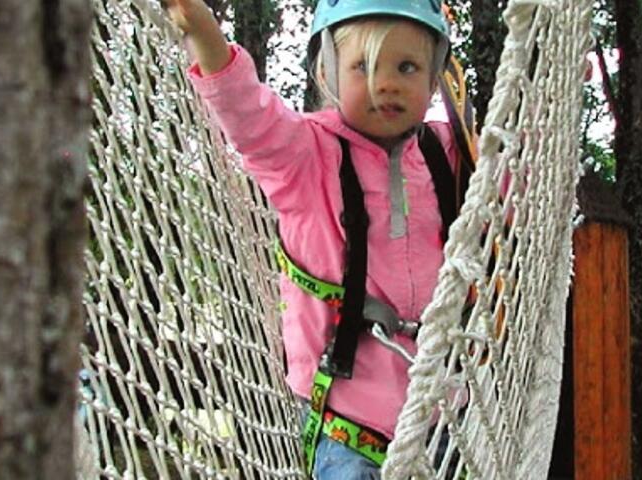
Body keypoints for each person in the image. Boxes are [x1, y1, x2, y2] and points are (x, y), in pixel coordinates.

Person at [163, 0, 465, 478]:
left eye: (406, 66)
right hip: (350, 421)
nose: (384, 82)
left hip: (444, 417)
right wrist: (205, 34)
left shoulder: (449, 154)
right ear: (327, 71)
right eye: (361, 66)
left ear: (433, 80)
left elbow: (516, 183)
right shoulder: (305, 156)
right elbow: (248, 117)